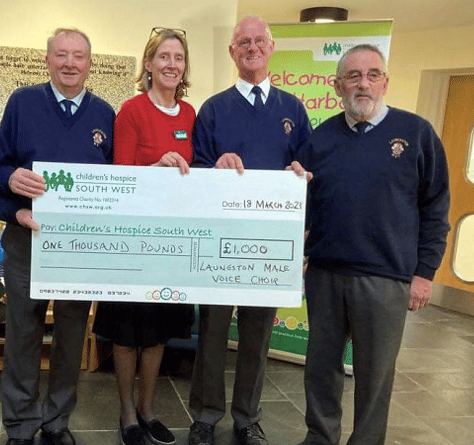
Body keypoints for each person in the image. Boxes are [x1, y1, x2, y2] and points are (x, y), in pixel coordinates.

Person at [297, 44, 450, 445]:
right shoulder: (321, 137)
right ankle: (320, 436)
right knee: (320, 367)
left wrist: (425, 273)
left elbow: (435, 207)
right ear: (337, 86)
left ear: (385, 82)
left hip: (386, 279)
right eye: (353, 76)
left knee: (375, 374)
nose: (363, 84)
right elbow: (305, 202)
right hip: (326, 274)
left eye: (372, 74)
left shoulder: (417, 134)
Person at [0, 28, 115, 445]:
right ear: (47, 60)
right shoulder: (22, 103)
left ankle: (58, 422)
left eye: (78, 56)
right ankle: (20, 425)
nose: (70, 63)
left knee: (73, 333)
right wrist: (13, 186)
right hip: (27, 240)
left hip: (80, 247)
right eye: (61, 54)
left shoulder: (105, 114)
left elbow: (118, 181)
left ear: (89, 63)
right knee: (23, 333)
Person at [188, 16, 311, 445]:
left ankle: (247, 418)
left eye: (259, 41)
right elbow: (196, 171)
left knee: (258, 336)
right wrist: (213, 165)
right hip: (220, 242)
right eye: (243, 42)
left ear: (271, 47)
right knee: (213, 333)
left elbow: (307, 171)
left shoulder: (294, 110)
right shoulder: (214, 108)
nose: (251, 47)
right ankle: (205, 415)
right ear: (232, 52)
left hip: (271, 245)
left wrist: (302, 175)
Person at [91, 27, 195, 445]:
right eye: (163, 56)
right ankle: (127, 412)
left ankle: (150, 409)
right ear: (148, 64)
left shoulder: (190, 114)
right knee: (127, 333)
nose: (171, 64)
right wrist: (155, 169)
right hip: (132, 241)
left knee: (157, 333)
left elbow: (200, 172)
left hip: (172, 242)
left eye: (178, 58)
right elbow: (119, 176)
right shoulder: (131, 111)